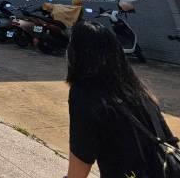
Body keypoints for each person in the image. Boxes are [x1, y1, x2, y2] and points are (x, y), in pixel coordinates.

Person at [66, 21, 177, 178]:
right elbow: (169, 141)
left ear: (77, 54)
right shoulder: (138, 90)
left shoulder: (85, 94)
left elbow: (81, 158)